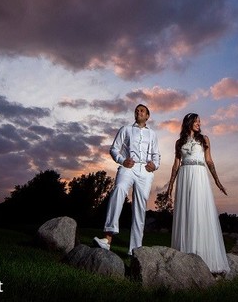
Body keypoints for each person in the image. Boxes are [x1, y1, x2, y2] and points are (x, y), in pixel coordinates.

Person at [167, 113, 230, 274]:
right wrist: (170, 187)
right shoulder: (179, 142)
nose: (199, 123)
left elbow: (209, 160)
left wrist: (217, 181)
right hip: (185, 175)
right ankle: (185, 256)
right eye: (196, 121)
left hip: (199, 175)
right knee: (186, 213)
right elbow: (175, 165)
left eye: (199, 121)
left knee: (199, 211)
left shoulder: (205, 139)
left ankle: (205, 258)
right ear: (188, 122)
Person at [94, 104, 161, 254]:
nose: (138, 112)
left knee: (140, 206)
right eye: (136, 110)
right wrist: (122, 160)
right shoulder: (126, 129)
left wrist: (154, 165)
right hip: (128, 167)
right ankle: (107, 238)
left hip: (145, 171)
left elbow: (157, 155)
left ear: (148, 116)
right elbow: (114, 149)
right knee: (118, 190)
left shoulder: (153, 134)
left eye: (142, 111)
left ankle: (134, 250)